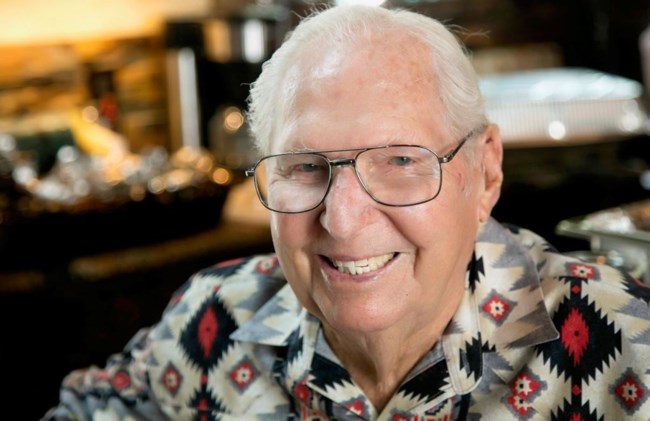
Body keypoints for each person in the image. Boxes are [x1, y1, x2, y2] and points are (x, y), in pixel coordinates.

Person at [45, 4, 650, 420]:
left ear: (485, 172)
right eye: (305, 166)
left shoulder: (631, 349)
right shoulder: (212, 318)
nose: (342, 219)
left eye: (400, 160)